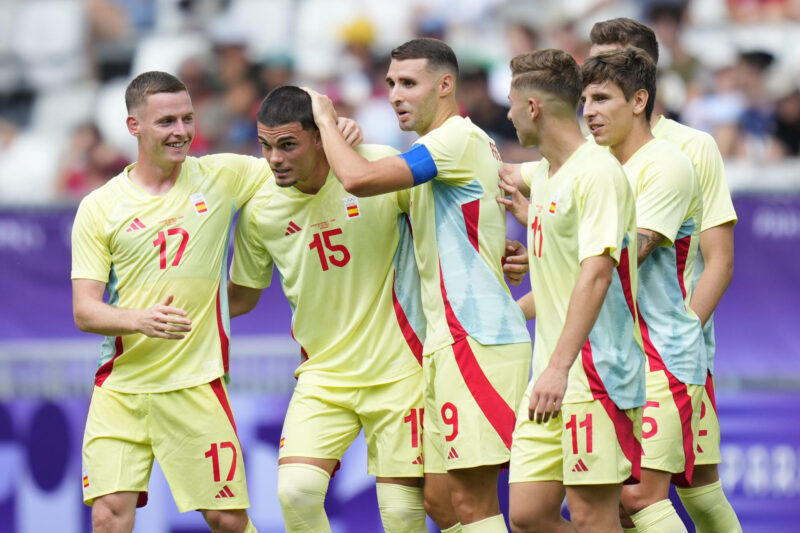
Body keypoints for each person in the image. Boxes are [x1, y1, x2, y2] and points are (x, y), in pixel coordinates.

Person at [304, 38, 532, 532]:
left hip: (477, 338)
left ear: (445, 85)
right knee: (440, 502)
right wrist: (509, 254)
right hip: (447, 341)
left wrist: (325, 122)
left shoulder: (453, 140)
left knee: (473, 506)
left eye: (408, 83)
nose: (394, 95)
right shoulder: (451, 146)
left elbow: (359, 179)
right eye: (390, 84)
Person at [227, 85, 428, 533]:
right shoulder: (261, 208)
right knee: (295, 492)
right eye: (265, 146)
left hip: (399, 369)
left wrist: (506, 251)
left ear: (322, 137)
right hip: (323, 375)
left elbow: (444, 222)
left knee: (401, 515)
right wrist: (171, 314)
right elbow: (242, 295)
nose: (274, 159)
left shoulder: (374, 164)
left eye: (287, 145)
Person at [71, 70, 264, 533]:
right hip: (121, 388)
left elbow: (293, 168)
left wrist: (340, 135)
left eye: (187, 118)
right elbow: (85, 310)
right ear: (134, 126)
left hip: (195, 384)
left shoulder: (223, 175)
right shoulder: (100, 207)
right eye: (166, 122)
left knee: (227, 519)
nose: (181, 131)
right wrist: (139, 320)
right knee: (107, 516)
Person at [589, 18, 741, 533]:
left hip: (667, 354)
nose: (600, 74)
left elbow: (719, 259)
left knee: (690, 493)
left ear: (644, 77)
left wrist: (677, 338)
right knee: (609, 503)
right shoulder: (588, 152)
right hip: (602, 356)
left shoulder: (690, 147)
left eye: (615, 62)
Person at [498, 48, 645, 533]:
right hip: (552, 375)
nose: (507, 114)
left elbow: (597, 274)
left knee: (591, 517)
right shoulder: (543, 175)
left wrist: (559, 369)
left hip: (595, 375)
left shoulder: (598, 173)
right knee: (528, 517)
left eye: (511, 103)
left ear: (533, 108)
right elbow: (483, 165)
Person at [582, 48, 706, 533]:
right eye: (584, 98)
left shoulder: (665, 164)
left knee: (639, 498)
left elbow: (628, 256)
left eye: (602, 98)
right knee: (601, 505)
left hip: (662, 358)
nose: (588, 110)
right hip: (614, 360)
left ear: (639, 100)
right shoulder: (596, 167)